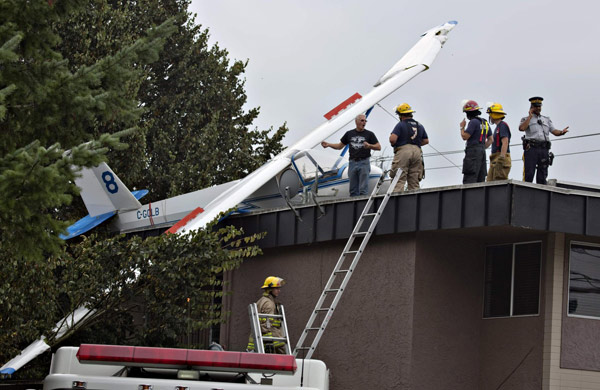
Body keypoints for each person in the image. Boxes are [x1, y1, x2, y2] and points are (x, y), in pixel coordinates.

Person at [321, 114, 381, 196]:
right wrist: (328, 144)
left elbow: (378, 147)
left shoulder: (369, 134)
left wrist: (370, 146)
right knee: (353, 190)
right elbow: (339, 146)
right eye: (362, 120)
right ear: (356, 122)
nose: (364, 122)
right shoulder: (349, 134)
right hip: (352, 162)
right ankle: (354, 206)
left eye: (365, 121)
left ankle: (363, 205)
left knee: (363, 189)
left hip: (364, 162)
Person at [518, 96, 569, 184]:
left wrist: (561, 132)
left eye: (539, 106)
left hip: (544, 149)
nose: (538, 108)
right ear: (532, 107)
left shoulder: (546, 119)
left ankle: (541, 194)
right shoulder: (525, 119)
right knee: (529, 174)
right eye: (536, 106)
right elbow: (521, 128)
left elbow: (554, 131)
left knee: (542, 175)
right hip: (531, 149)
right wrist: (530, 117)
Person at [388, 103, 429, 191]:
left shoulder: (401, 124)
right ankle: (414, 201)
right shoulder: (419, 125)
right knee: (414, 179)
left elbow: (392, 139)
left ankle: (397, 202)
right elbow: (426, 141)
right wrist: (415, 143)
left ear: (401, 115)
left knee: (398, 178)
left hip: (404, 151)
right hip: (417, 151)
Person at [247, 276, 287, 354]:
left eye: (279, 288)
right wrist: (268, 340)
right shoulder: (269, 303)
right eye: (276, 288)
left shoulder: (262, 300)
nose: (279, 291)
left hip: (260, 340)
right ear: (270, 289)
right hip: (270, 339)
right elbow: (267, 324)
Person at [460, 100, 493, 184]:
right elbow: (491, 139)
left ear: (469, 113)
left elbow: (465, 136)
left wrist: (462, 127)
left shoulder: (473, 122)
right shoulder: (485, 122)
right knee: (480, 178)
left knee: (470, 178)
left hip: (473, 151)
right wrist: (482, 147)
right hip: (482, 151)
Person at [486, 103, 511, 181]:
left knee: (499, 182)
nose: (490, 117)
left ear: (494, 115)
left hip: (500, 157)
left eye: (490, 114)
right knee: (490, 182)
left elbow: (505, 142)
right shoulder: (498, 127)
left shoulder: (502, 126)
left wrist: (502, 157)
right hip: (495, 159)